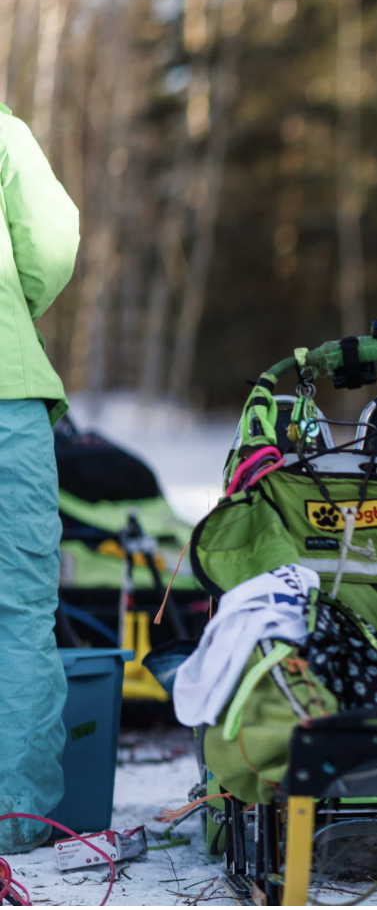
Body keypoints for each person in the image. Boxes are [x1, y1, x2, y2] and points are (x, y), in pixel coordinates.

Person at [0, 102, 80, 853]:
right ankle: (16, 817)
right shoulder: (3, 133)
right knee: (18, 613)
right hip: (6, 393)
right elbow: (50, 246)